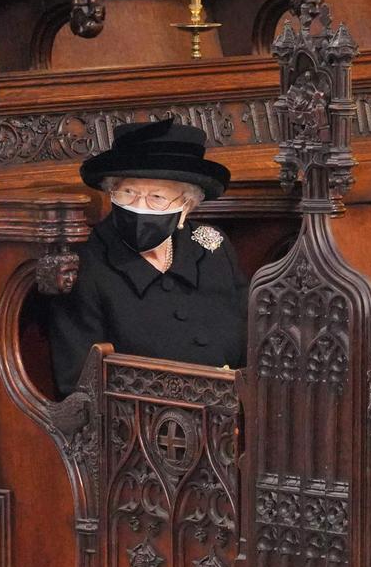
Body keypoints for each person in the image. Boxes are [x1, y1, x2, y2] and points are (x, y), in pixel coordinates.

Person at [50, 119, 248, 397]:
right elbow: (79, 387)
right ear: (111, 193)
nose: (139, 207)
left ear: (185, 207)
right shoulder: (86, 264)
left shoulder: (212, 246)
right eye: (128, 193)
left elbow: (253, 343)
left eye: (156, 197)